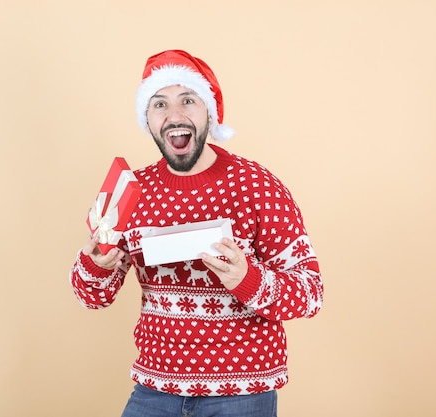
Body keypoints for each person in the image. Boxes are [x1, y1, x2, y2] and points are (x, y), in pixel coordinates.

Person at [70, 49, 324, 417]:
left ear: (209, 112)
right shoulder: (131, 190)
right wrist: (96, 263)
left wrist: (248, 279)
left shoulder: (257, 186)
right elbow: (92, 297)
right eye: (159, 104)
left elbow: (310, 293)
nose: (174, 115)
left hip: (242, 391)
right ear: (148, 118)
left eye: (188, 100)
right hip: (155, 387)